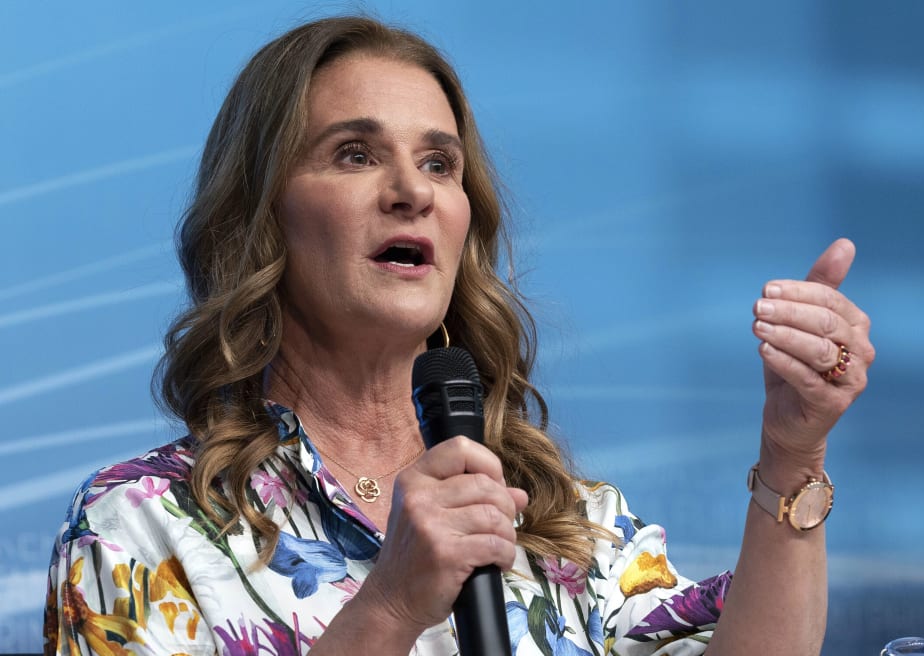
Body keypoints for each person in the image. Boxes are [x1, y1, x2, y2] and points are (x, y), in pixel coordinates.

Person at [44, 15, 874, 656]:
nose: (412, 190)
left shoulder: (565, 524)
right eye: (355, 154)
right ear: (262, 220)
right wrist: (393, 605)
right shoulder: (140, 527)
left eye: (441, 164)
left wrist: (794, 452)